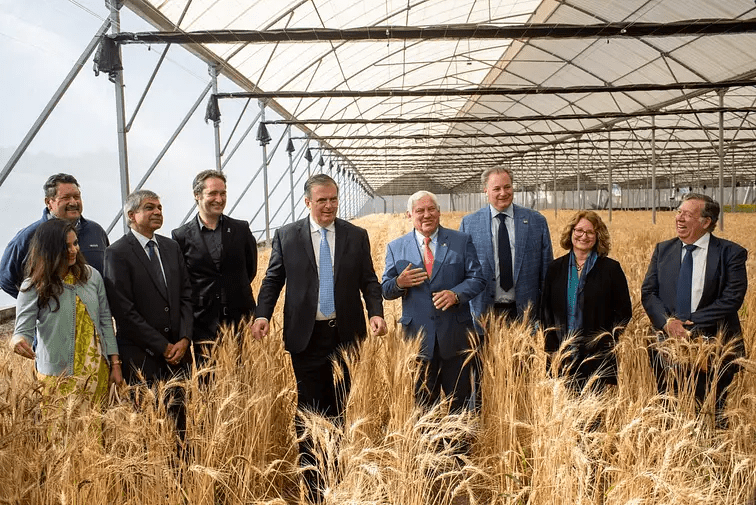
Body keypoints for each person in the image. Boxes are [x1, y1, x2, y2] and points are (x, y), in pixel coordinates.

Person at [251, 173, 386, 502]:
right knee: (310, 408)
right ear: (308, 202)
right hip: (305, 337)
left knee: (339, 407)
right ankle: (312, 481)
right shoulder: (288, 236)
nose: (329, 205)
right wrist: (262, 314)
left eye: (333, 199)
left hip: (345, 335)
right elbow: (273, 280)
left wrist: (376, 312)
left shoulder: (355, 235)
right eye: (322, 200)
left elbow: (369, 280)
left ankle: (335, 475)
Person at [641, 193, 747, 426]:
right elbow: (649, 293)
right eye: (678, 212)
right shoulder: (663, 250)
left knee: (712, 414)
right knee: (669, 410)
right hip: (667, 345)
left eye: (687, 214)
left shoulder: (731, 253)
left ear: (706, 222)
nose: (679, 218)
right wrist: (668, 323)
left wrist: (687, 322)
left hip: (714, 345)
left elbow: (732, 299)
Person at [382, 191, 485, 410]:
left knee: (459, 403)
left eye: (431, 209)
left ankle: (458, 445)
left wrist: (456, 295)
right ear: (409, 215)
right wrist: (399, 283)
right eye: (420, 210)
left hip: (456, 337)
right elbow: (386, 290)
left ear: (439, 212)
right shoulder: (396, 247)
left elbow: (477, 278)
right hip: (418, 340)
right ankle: (427, 445)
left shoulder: (460, 241)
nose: (426, 215)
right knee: (423, 406)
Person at [103, 190, 193, 436]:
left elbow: (186, 295)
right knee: (148, 427)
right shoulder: (117, 253)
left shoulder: (171, 247)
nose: (157, 212)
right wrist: (163, 346)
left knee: (180, 425)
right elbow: (124, 312)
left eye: (160, 208)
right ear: (131, 215)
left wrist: (184, 338)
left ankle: (182, 473)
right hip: (142, 357)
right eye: (149, 207)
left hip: (179, 356)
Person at [10, 219, 122, 403]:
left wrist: (115, 364)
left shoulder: (91, 276)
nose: (73, 250)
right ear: (49, 250)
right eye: (65, 246)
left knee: (95, 430)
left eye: (75, 243)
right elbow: (22, 330)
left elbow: (105, 322)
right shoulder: (32, 286)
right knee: (60, 431)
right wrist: (17, 341)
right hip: (57, 378)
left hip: (96, 372)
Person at [540, 210, 632, 393]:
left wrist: (605, 342)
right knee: (561, 412)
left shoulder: (611, 269)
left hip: (597, 356)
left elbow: (624, 312)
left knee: (595, 413)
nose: (584, 236)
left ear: (598, 236)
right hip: (562, 354)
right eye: (579, 230)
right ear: (571, 232)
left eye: (590, 232)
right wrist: (552, 349)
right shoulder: (555, 268)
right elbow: (546, 312)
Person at [172, 170, 257, 364]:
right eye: (213, 193)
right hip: (203, 322)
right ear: (197, 195)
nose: (219, 199)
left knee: (246, 379)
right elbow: (183, 279)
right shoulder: (181, 236)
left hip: (241, 318)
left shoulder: (241, 229)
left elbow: (250, 269)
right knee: (208, 382)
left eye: (223, 193)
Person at [459, 167, 553, 325]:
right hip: (484, 312)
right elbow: (462, 270)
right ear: (486, 191)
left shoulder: (536, 221)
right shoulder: (469, 224)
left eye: (507, 187)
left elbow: (546, 269)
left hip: (525, 312)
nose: (503, 193)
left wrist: (546, 310)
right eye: (496, 188)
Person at [1, 173, 109, 298]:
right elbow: (5, 279)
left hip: (91, 314)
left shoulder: (95, 231)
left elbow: (108, 273)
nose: (73, 202)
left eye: (77, 196)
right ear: (49, 202)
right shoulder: (29, 236)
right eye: (66, 198)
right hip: (51, 315)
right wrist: (35, 304)